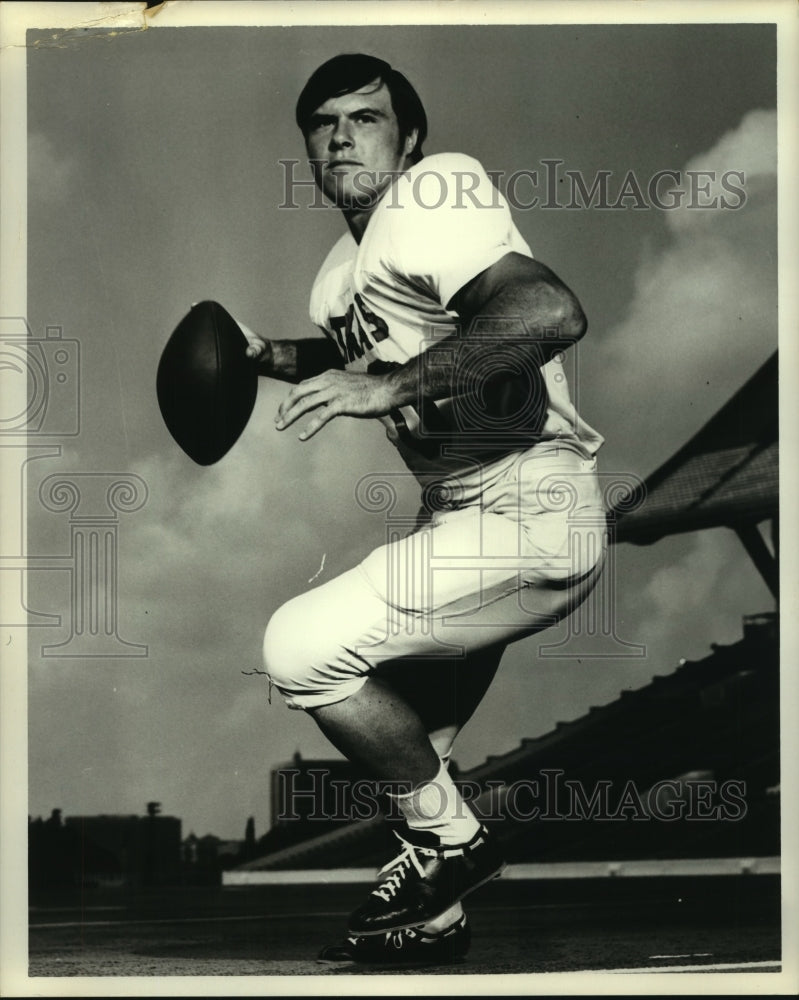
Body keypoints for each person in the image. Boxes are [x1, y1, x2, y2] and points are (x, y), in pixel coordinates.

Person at [241, 53, 607, 965]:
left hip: (527, 502)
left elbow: (547, 311)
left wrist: (387, 389)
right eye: (322, 123)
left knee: (300, 649)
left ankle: (458, 845)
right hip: (460, 516)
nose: (340, 137)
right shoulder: (339, 273)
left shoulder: (432, 194)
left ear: (409, 140)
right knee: (406, 747)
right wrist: (271, 357)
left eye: (364, 118)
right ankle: (432, 916)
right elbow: (372, 353)